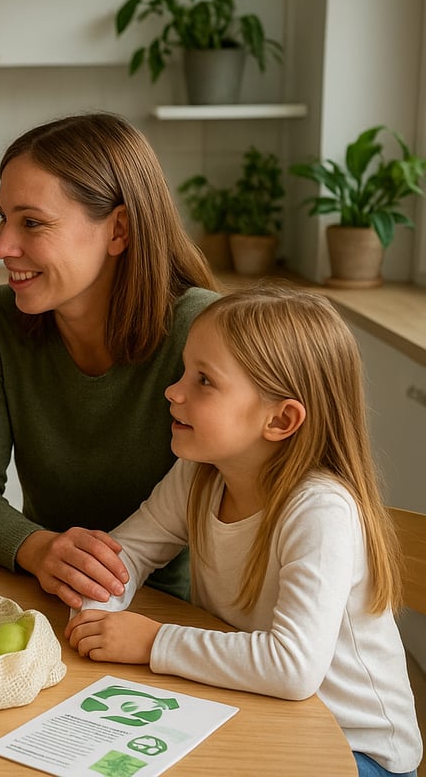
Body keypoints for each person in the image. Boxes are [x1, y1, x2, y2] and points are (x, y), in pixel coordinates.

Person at [66, 285, 421, 777]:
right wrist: (95, 616)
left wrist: (151, 642)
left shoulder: (321, 511)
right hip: (262, 712)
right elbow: (125, 554)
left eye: (205, 380)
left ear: (281, 419)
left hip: (355, 751)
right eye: (185, 370)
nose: (174, 390)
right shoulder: (200, 473)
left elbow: (291, 668)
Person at [0, 112, 219, 609]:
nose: (1, 247)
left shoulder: (201, 330)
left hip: (174, 615)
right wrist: (37, 547)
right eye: (2, 218)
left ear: (119, 230)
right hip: (41, 592)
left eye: (32, 222)